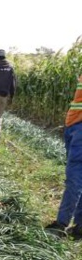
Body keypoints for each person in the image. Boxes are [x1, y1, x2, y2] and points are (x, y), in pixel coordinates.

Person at [45, 74, 82, 240]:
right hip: (74, 126)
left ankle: (61, 225)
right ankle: (80, 226)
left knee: (74, 177)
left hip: (79, 128)